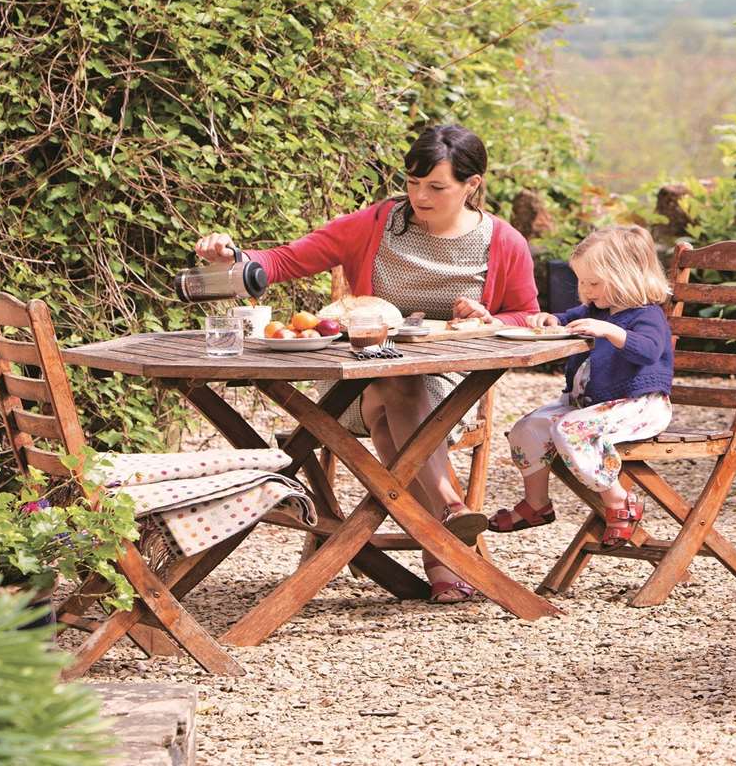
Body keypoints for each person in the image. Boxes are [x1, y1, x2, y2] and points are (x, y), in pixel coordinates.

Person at [191, 123, 539, 602]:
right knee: (391, 389)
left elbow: (528, 316)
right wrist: (233, 257)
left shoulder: (502, 242)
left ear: (471, 184)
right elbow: (287, 260)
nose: (419, 196)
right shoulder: (379, 223)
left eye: (436, 187)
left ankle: (433, 538)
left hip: (448, 388)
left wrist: (486, 315)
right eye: (413, 183)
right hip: (356, 381)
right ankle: (448, 516)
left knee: (398, 397)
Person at [453, 225, 674, 548]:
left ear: (627, 277)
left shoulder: (647, 316)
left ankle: (619, 502)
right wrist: (550, 320)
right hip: (592, 406)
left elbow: (648, 350)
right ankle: (536, 504)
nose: (585, 290)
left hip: (639, 405)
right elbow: (565, 318)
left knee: (572, 430)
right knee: (527, 428)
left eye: (593, 283)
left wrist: (609, 332)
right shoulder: (596, 310)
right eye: (582, 281)